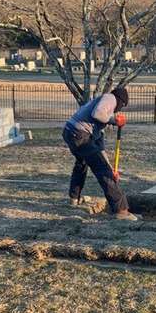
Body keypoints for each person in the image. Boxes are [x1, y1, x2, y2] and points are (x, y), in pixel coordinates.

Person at [62, 87, 140, 221]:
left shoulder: (98, 124)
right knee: (102, 171)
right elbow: (97, 113)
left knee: (82, 164)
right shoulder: (110, 98)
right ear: (120, 101)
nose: (118, 110)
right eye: (121, 106)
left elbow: (100, 148)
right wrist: (115, 121)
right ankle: (122, 211)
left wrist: (111, 168)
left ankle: (74, 198)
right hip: (80, 134)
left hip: (70, 132)